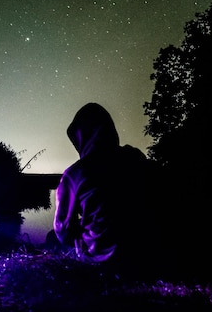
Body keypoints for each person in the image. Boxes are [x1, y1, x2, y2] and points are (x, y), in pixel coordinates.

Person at [53, 102, 165, 277]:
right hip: (148, 253)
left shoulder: (74, 174)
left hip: (102, 259)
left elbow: (63, 230)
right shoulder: (134, 157)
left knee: (52, 238)